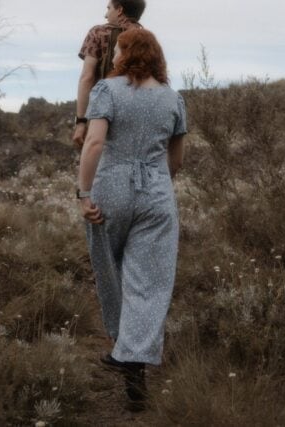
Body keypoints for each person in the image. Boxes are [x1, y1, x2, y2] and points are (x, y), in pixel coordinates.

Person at [76, 28, 187, 410]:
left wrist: (83, 193)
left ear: (125, 54)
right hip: (156, 194)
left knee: (110, 270)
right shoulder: (174, 99)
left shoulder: (107, 91)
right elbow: (177, 161)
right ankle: (132, 355)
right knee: (150, 281)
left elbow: (93, 143)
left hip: (111, 188)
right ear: (157, 56)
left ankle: (123, 351)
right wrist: (155, 181)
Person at [72, 0, 146, 149]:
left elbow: (87, 78)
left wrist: (81, 122)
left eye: (108, 8)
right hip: (139, 114)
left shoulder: (98, 33)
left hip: (103, 113)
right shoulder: (146, 38)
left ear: (119, 10)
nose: (106, 15)